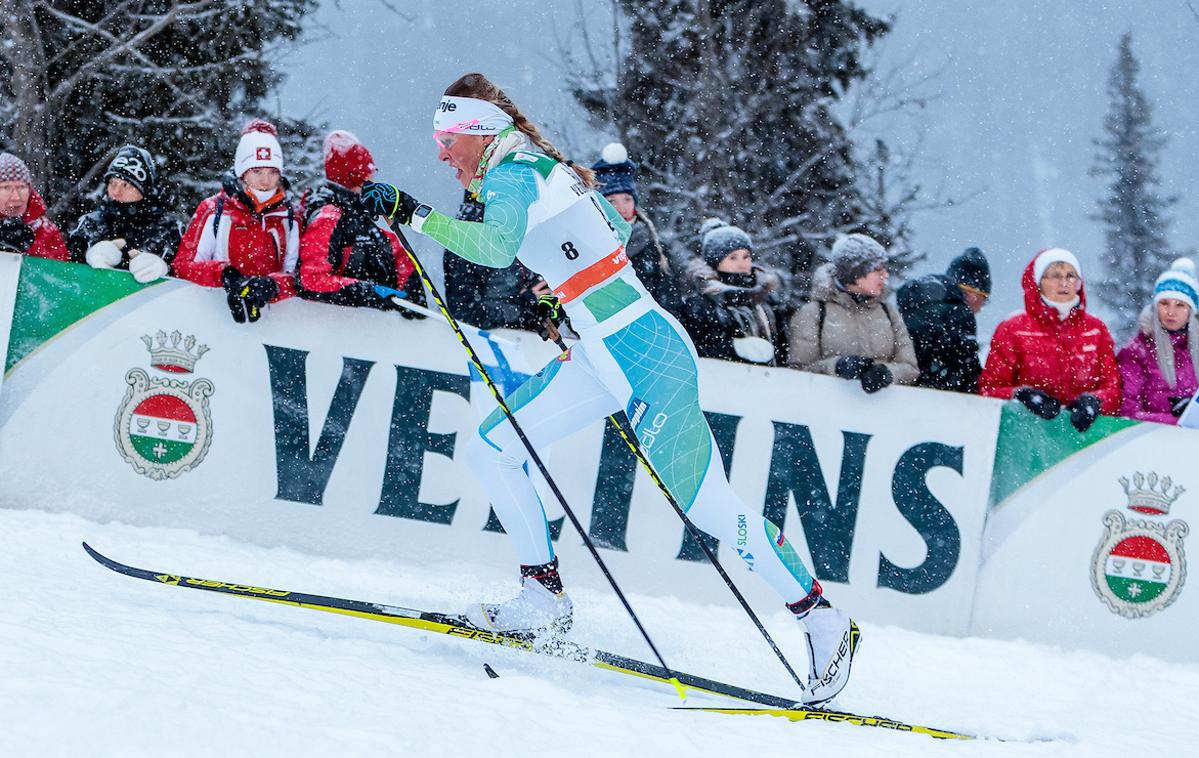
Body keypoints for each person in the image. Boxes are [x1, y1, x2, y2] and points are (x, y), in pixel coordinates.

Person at [358, 72, 858, 705]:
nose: (439, 153)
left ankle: (821, 619)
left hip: (645, 356)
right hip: (600, 353)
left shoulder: (517, 172)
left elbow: (492, 246)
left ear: (477, 133)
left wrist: (411, 212)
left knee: (712, 514)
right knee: (495, 446)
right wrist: (564, 283)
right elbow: (614, 237)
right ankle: (542, 595)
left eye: (446, 139)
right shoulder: (539, 168)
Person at [980, 248, 1120, 432]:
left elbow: (1114, 390)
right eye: (1054, 275)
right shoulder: (1013, 330)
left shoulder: (1096, 330)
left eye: (1071, 275)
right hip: (1024, 437)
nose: (1064, 283)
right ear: (1038, 283)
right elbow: (988, 390)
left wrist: (1096, 402)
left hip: (1085, 441)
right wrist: (1020, 395)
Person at [174, 119, 300, 323]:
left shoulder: (290, 217)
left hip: (273, 323)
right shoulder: (215, 209)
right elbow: (183, 266)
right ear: (243, 172)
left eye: (273, 172)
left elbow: (297, 277)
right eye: (257, 171)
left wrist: (272, 285)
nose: (266, 180)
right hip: (213, 317)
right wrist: (224, 274)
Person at [297, 130, 419, 314]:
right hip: (336, 328)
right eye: (368, 173)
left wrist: (411, 285)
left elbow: (393, 250)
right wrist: (367, 292)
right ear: (355, 177)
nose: (373, 178)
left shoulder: (360, 216)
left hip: (372, 331)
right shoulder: (328, 217)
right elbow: (312, 279)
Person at [788, 233, 919, 393]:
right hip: (826, 410)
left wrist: (887, 373)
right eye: (878, 270)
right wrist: (836, 366)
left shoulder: (889, 313)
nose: (885, 275)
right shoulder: (814, 313)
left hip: (883, 410)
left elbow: (910, 368)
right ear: (855, 273)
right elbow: (797, 370)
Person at [591, 142, 683, 314]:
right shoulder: (590, 245)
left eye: (626, 199)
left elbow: (670, 298)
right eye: (611, 201)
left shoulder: (655, 247)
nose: (621, 207)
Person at [68, 145, 181, 283]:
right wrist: (88, 256)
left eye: (126, 185)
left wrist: (165, 269)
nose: (116, 192)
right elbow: (64, 274)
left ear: (144, 189)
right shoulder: (89, 224)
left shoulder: (169, 229)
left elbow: (186, 274)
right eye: (112, 183)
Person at [681, 220, 786, 365]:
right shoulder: (701, 303)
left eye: (746, 256)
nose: (742, 264)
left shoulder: (767, 298)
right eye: (733, 257)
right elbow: (695, 349)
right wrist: (733, 347)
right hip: (728, 382)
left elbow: (783, 347)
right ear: (715, 261)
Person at [896, 247, 991, 393]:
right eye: (984, 300)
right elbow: (967, 370)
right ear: (973, 295)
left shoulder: (915, 305)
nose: (980, 308)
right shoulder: (961, 313)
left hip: (902, 393)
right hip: (941, 401)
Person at [1117, 258, 1199, 424]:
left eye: (1180, 305)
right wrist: (1177, 419)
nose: (1171, 312)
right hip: (1151, 442)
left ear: (1191, 310)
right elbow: (1127, 412)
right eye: (1164, 303)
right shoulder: (1136, 351)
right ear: (1155, 306)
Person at [0, 152, 68, 260]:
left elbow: (60, 274)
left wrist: (28, 251)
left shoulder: (47, 231)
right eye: (6, 188)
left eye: (21, 187)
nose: (16, 197)